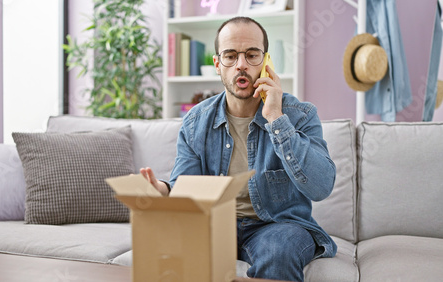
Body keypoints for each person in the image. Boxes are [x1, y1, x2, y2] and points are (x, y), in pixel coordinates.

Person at [140, 16, 337, 281]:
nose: (241, 65)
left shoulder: (300, 116)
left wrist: (277, 119)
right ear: (217, 64)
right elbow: (185, 188)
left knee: (278, 252)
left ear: (266, 62)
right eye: (231, 56)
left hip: (279, 227)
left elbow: (321, 186)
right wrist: (163, 192)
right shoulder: (196, 122)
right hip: (215, 223)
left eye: (252, 55)